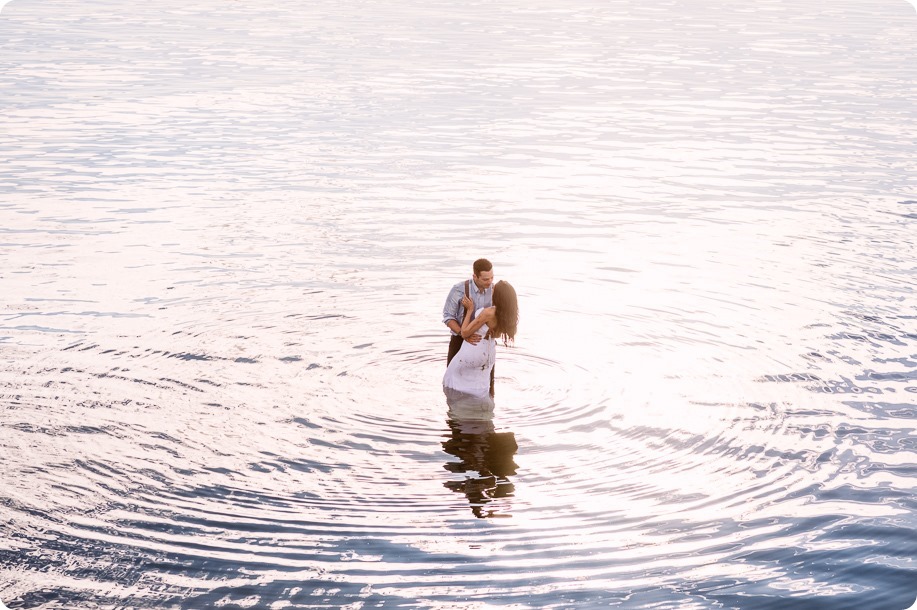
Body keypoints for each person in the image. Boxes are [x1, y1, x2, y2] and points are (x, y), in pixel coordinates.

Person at [442, 280, 518, 398]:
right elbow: (496, 334)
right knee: (482, 388)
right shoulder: (506, 315)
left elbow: (465, 332)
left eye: (494, 289)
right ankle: (482, 413)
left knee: (452, 380)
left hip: (474, 349)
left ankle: (456, 412)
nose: (491, 290)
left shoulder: (489, 312)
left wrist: (470, 310)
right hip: (489, 353)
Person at [443, 259, 496, 393]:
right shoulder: (459, 290)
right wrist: (464, 334)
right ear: (475, 277)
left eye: (491, 278)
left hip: (485, 344)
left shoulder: (495, 290)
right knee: (452, 386)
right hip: (459, 341)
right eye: (485, 279)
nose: (489, 282)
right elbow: (448, 317)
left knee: (488, 386)